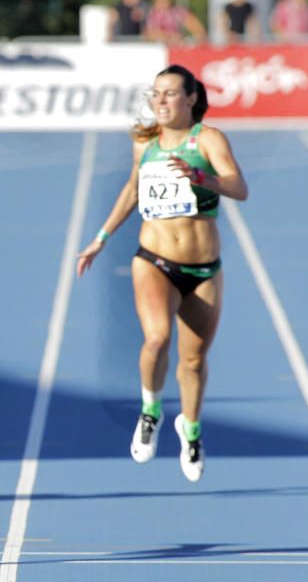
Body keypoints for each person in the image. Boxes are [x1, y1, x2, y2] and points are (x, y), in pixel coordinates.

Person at [76, 64, 248, 482]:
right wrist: (100, 238)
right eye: (156, 93)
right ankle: (151, 410)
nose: (162, 101)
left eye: (171, 93)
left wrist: (200, 177)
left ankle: (190, 429)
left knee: (192, 361)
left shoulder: (208, 139)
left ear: (191, 98)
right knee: (157, 339)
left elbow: (239, 187)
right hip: (154, 259)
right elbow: (133, 190)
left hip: (204, 268)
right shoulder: (145, 141)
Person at [143, 0, 207, 46]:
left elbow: (199, 31)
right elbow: (146, 34)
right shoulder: (146, 10)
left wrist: (187, 42)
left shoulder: (177, 12)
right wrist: (169, 37)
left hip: (175, 54)